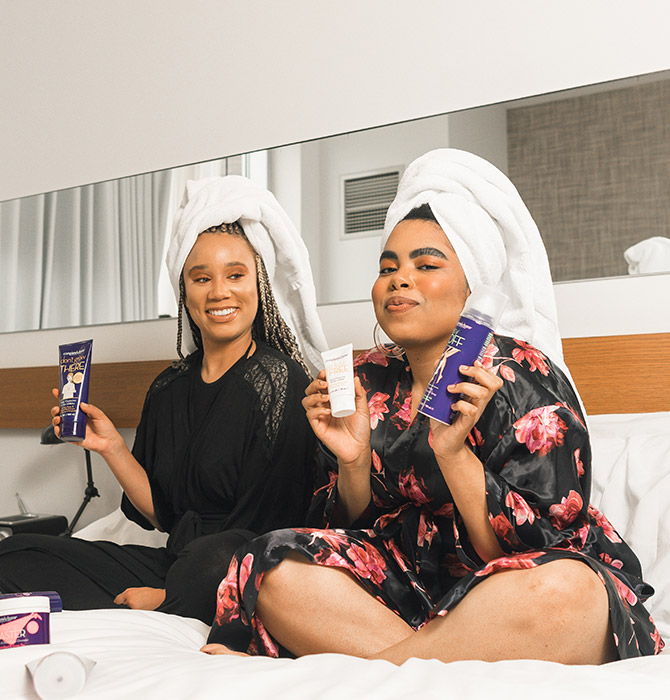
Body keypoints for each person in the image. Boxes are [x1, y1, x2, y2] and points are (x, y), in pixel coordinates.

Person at [202, 150, 664, 662]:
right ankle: (429, 664)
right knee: (272, 564)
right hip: (404, 593)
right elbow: (344, 533)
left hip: (508, 592)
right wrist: (352, 461)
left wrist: (452, 453)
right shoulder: (367, 377)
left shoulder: (522, 376)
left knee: (565, 591)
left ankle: (388, 667)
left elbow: (529, 551)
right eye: (388, 267)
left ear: (472, 287)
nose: (400, 279)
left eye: (426, 265)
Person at [0, 175, 327, 624]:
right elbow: (163, 517)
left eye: (235, 275)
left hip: (241, 569)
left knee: (221, 553)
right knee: (19, 553)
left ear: (259, 284)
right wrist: (111, 447)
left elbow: (273, 532)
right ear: (184, 291)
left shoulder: (279, 380)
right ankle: (159, 597)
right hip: (175, 562)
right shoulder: (168, 387)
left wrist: (169, 592)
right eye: (201, 278)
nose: (219, 292)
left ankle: (166, 602)